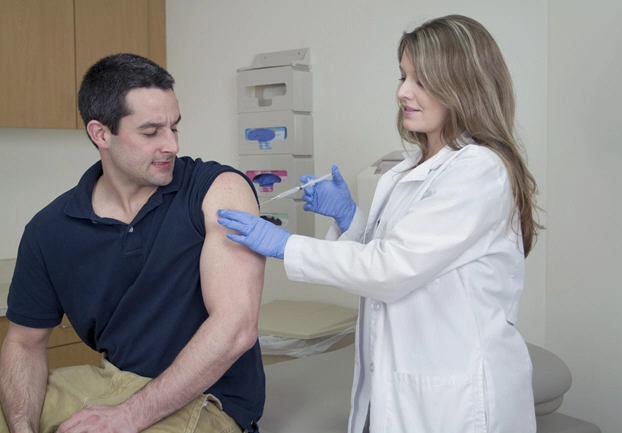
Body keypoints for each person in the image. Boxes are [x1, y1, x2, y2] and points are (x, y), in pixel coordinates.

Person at [218, 14, 542, 433]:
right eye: (404, 75)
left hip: (457, 398)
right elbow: (404, 252)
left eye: (421, 80)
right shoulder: (411, 167)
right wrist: (351, 218)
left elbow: (391, 269)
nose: (403, 91)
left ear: (463, 87)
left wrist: (286, 244)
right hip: (399, 382)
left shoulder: (479, 170)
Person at [0, 53, 265, 433]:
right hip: (116, 385)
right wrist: (22, 427)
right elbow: (24, 343)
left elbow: (236, 326)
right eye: (151, 131)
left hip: (210, 398)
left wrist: (127, 417)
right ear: (100, 134)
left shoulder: (217, 189)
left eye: (175, 127)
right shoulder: (48, 231)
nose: (171, 144)